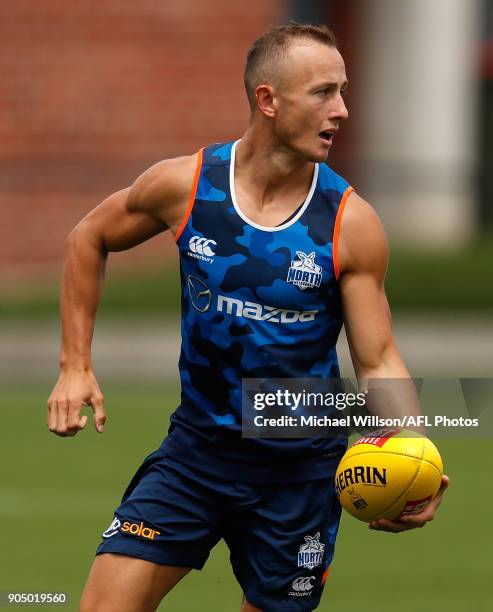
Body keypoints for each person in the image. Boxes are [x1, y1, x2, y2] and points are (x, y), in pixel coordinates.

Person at [47, 24, 449, 612]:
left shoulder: (349, 223)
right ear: (268, 101)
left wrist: (413, 450)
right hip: (196, 456)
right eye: (323, 93)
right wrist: (75, 365)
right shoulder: (185, 186)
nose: (341, 110)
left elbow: (377, 358)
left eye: (343, 91)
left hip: (300, 477)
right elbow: (89, 236)